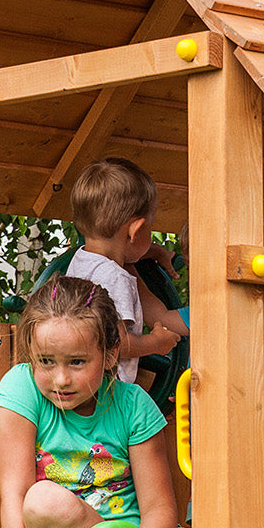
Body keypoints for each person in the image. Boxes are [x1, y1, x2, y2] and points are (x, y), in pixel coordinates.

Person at [0, 276, 193, 528]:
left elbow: (159, 509)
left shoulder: (133, 405)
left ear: (110, 355)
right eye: (46, 362)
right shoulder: (22, 388)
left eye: (76, 362)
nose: (60, 379)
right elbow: (14, 495)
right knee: (44, 500)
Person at [65, 157, 186, 385]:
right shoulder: (114, 277)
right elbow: (116, 344)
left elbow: (124, 250)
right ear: (136, 230)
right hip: (109, 389)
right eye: (151, 226)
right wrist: (156, 343)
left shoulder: (82, 260)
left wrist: (154, 251)